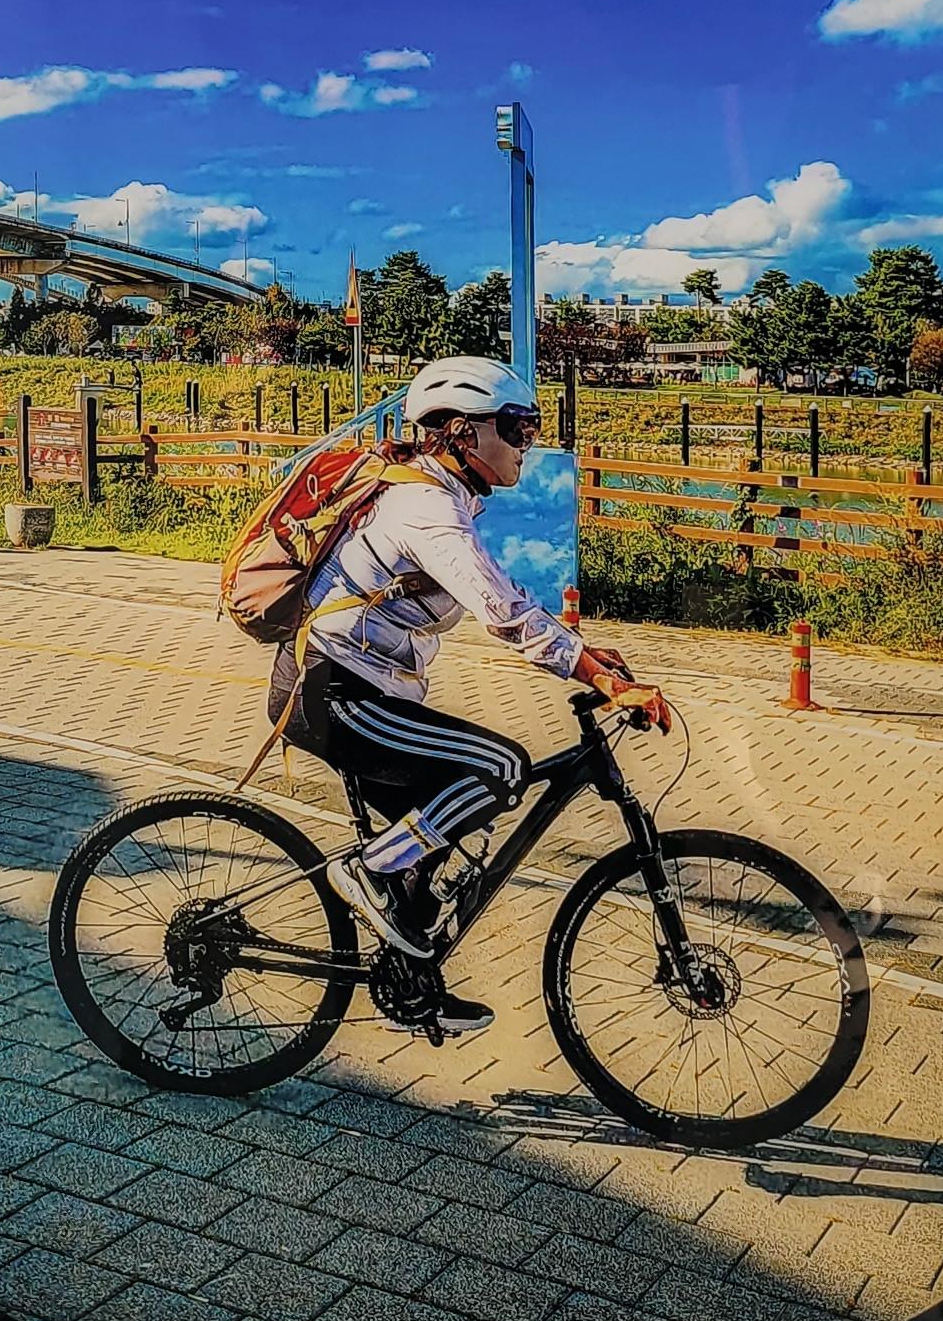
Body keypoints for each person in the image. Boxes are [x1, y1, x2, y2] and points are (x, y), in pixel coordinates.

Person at [284, 354, 669, 1040]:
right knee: (499, 768)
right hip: (335, 692)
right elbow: (500, 609)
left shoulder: (443, 496)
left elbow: (503, 591)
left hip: (364, 688)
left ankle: (412, 984)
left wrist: (584, 653)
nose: (527, 443)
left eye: (532, 428)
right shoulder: (425, 507)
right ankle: (367, 870)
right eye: (517, 428)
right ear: (464, 431)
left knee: (455, 826)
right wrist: (599, 677)